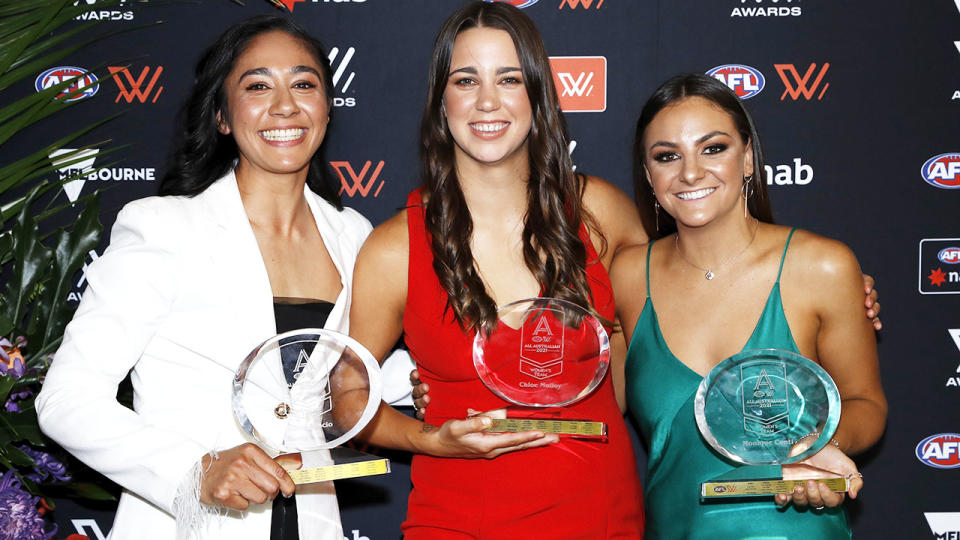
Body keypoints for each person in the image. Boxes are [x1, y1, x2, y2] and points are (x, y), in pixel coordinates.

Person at [35, 15, 396, 540]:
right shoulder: (163, 227)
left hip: (314, 521)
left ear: (325, 106)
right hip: (189, 525)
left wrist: (440, 390)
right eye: (256, 86)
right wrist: (195, 469)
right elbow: (66, 398)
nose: (284, 105)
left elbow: (360, 373)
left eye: (303, 84)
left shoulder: (354, 234)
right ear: (223, 117)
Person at [349, 2, 647, 538]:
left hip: (600, 516)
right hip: (458, 521)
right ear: (442, 101)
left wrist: (839, 293)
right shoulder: (395, 248)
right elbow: (345, 401)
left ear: (537, 93)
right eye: (466, 80)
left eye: (509, 78)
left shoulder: (600, 212)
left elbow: (687, 297)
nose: (488, 100)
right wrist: (430, 439)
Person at [609, 73, 887, 539]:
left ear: (749, 159)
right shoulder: (626, 277)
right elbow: (588, 396)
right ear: (648, 174)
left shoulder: (821, 266)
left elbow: (866, 403)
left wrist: (818, 448)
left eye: (713, 148)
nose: (691, 172)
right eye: (667, 156)